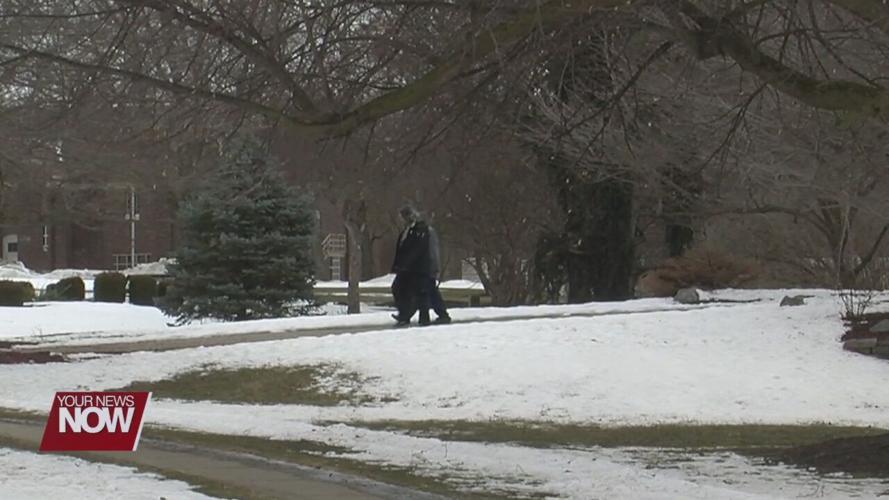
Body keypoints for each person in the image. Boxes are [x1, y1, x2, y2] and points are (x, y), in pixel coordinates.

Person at [391, 205, 433, 326]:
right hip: (407, 268)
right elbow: (402, 248)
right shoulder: (407, 230)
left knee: (421, 292)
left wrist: (407, 263)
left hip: (418, 268)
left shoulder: (420, 230)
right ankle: (405, 313)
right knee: (399, 288)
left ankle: (422, 318)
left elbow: (417, 249)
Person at [427, 225, 451, 324]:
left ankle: (442, 314)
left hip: (427, 267)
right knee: (430, 291)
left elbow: (432, 251)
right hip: (426, 266)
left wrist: (434, 266)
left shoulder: (427, 233)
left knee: (430, 291)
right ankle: (405, 314)